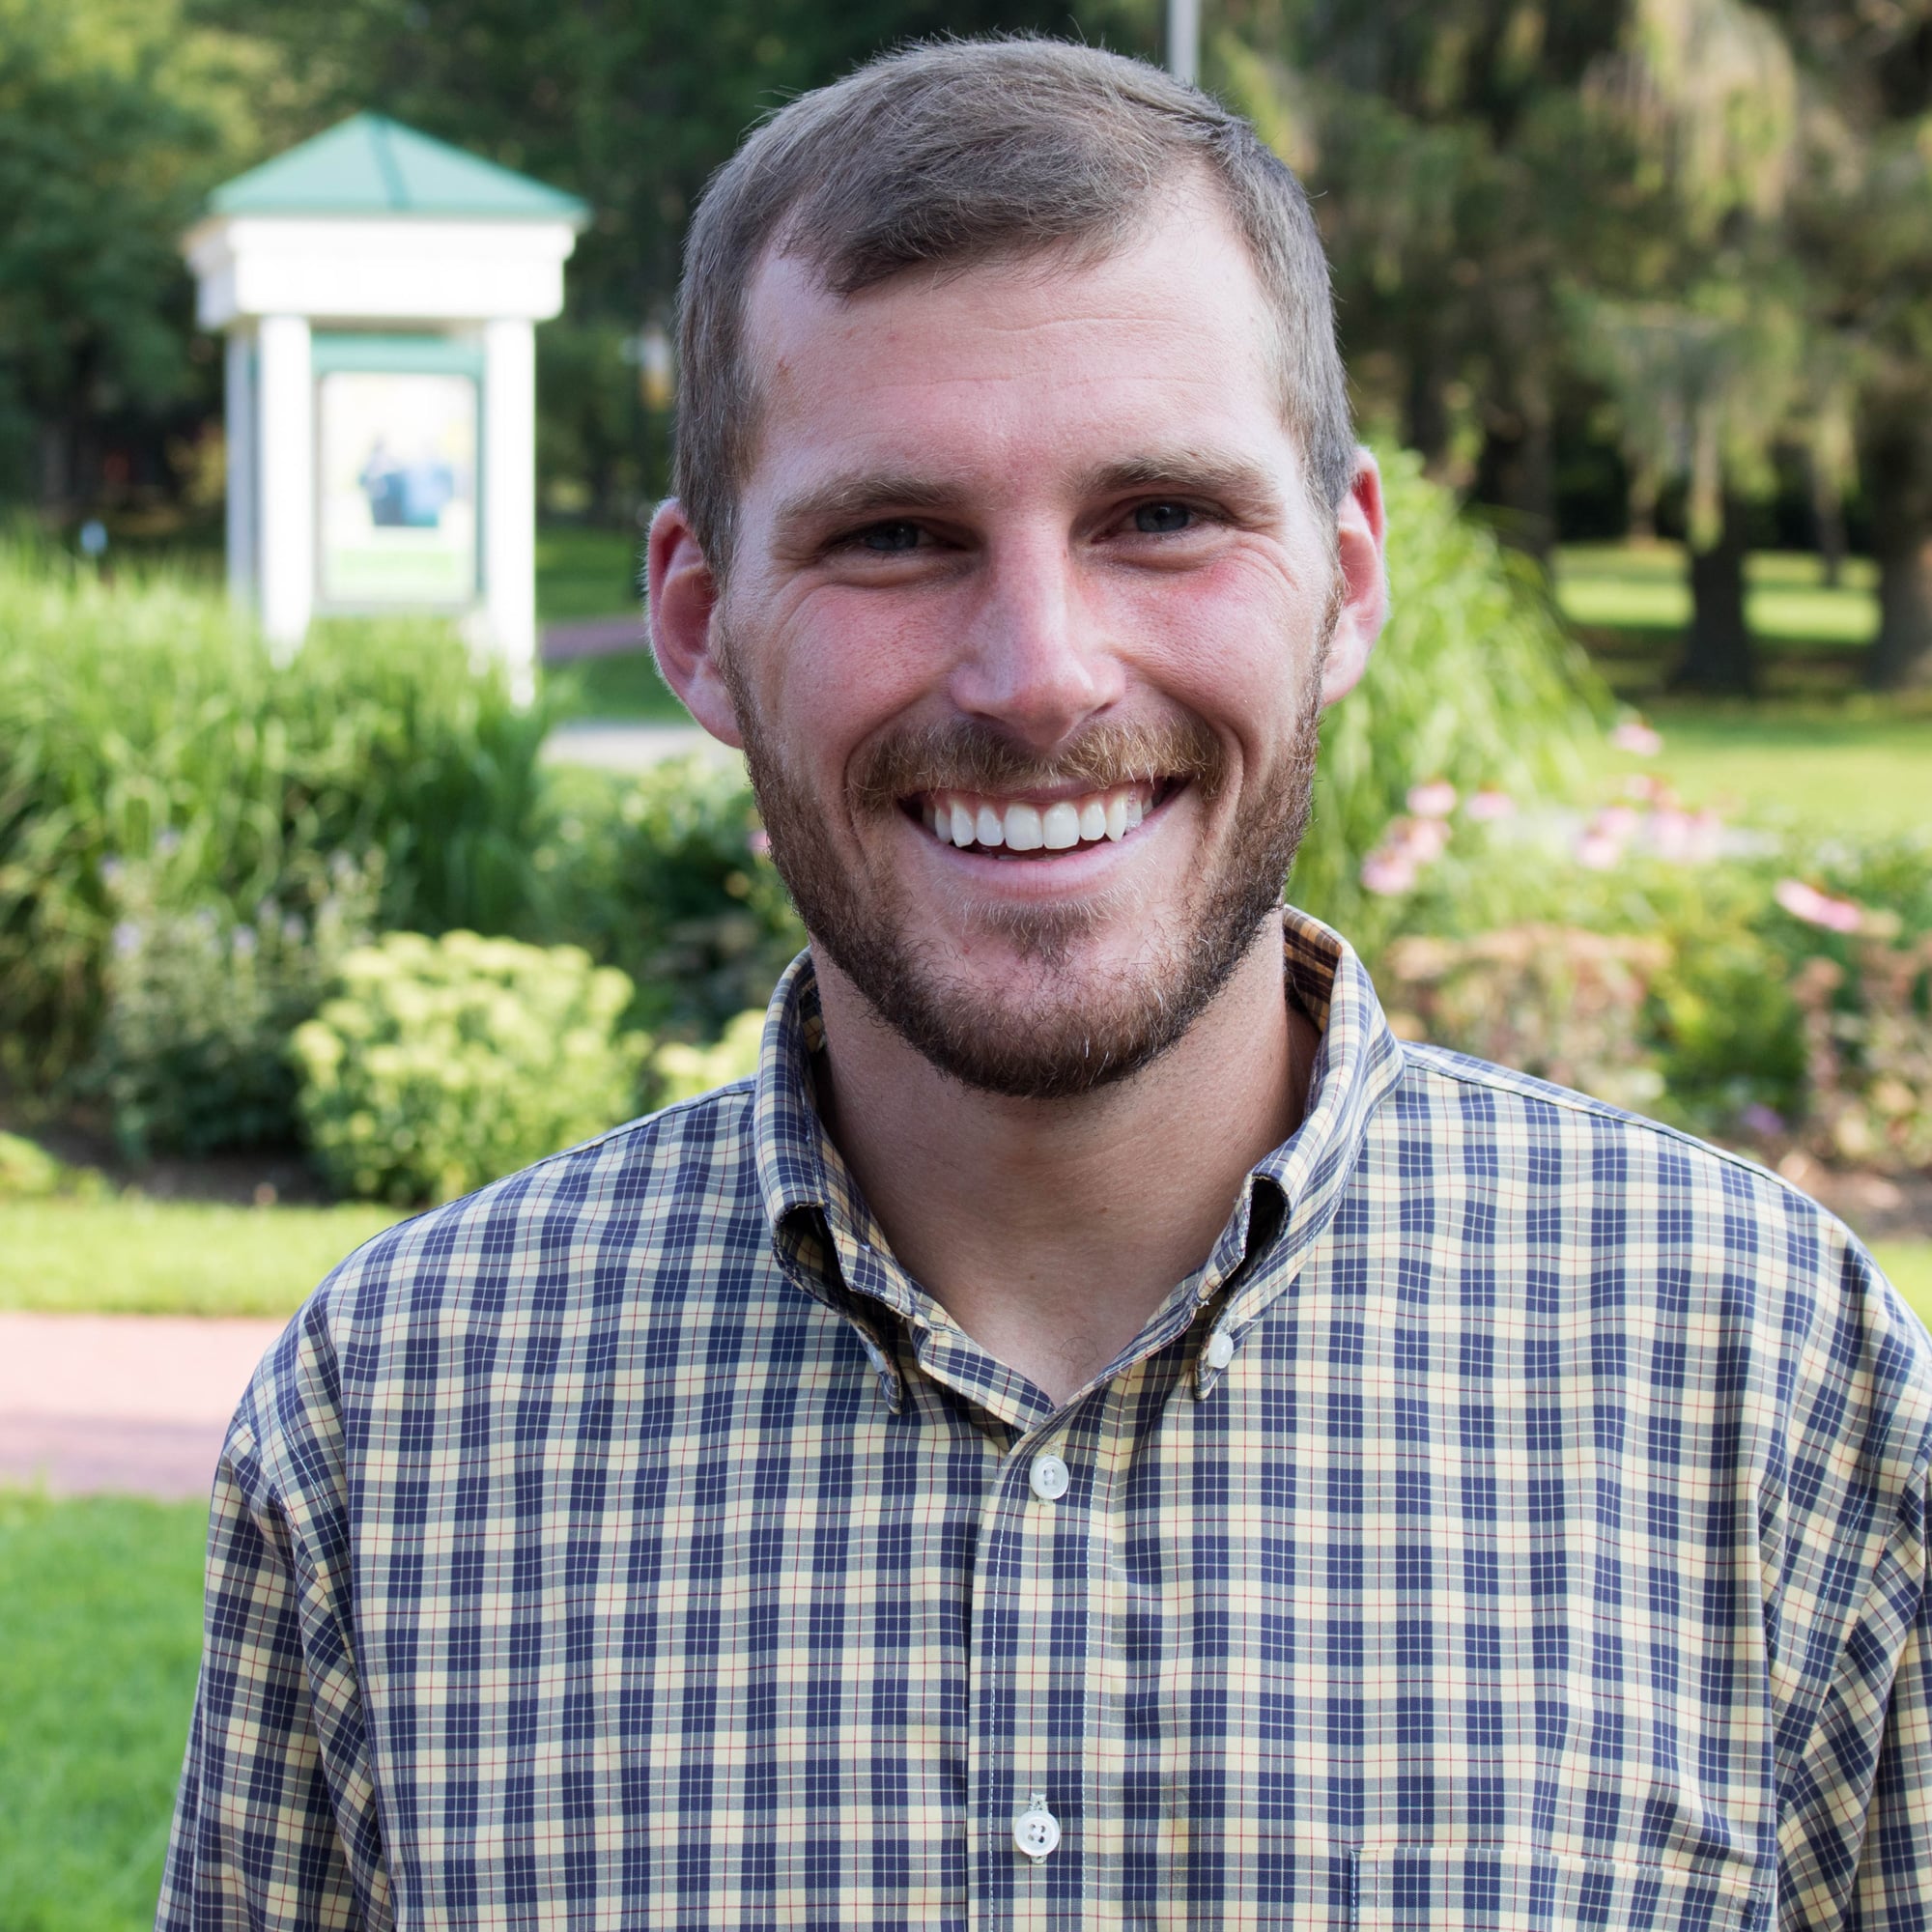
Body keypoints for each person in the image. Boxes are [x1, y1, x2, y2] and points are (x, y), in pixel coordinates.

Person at [159, 40, 1931, 1931]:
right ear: (697, 625)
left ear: (1342, 577)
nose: (1037, 673)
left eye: (1159, 514)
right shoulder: (399, 1430)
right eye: (896, 535)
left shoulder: (1769, 1391)